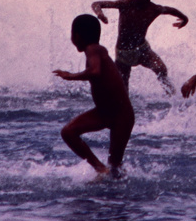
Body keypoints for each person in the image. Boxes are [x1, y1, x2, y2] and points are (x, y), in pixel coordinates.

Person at [53, 13, 135, 176]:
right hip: (104, 112)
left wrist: (71, 76)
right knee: (68, 132)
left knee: (115, 167)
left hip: (121, 116)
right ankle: (100, 168)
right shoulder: (95, 50)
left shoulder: (94, 49)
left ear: (76, 36)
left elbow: (95, 71)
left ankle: (105, 171)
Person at [91, 0, 188, 94]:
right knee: (122, 88)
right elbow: (97, 4)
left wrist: (184, 19)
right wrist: (99, 13)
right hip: (123, 55)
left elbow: (171, 10)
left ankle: (174, 96)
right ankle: (123, 110)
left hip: (143, 50)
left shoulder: (154, 9)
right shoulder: (125, 4)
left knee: (161, 69)